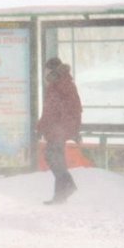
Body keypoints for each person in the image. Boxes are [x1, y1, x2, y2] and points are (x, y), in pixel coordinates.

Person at [37, 57, 82, 205]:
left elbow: (51, 110)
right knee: (57, 159)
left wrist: (41, 126)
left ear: (52, 70)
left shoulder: (56, 85)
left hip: (57, 128)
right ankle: (60, 195)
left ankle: (67, 187)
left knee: (53, 157)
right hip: (60, 127)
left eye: (47, 70)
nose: (45, 73)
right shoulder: (64, 82)